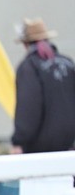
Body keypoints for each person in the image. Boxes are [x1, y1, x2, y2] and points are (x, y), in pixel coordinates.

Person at [11, 18, 75, 155]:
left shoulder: (29, 67)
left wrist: (19, 140)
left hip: (40, 150)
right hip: (70, 146)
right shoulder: (68, 63)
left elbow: (28, 107)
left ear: (25, 44)